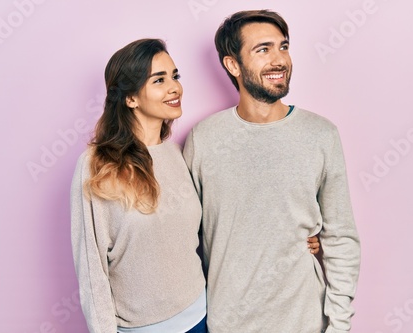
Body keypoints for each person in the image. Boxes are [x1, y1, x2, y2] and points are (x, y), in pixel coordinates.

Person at [70, 38, 321, 333]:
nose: (174, 87)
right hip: (141, 328)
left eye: (175, 76)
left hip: (202, 319)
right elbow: (91, 270)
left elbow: (216, 227)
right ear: (130, 98)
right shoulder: (97, 166)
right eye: (159, 80)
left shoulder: (177, 154)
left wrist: (290, 238)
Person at [183, 9, 361, 333]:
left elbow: (341, 237)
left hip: (306, 322)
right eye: (263, 49)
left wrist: (339, 325)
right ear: (232, 64)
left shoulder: (321, 135)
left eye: (283, 46)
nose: (279, 59)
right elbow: (183, 236)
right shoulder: (204, 139)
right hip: (227, 323)